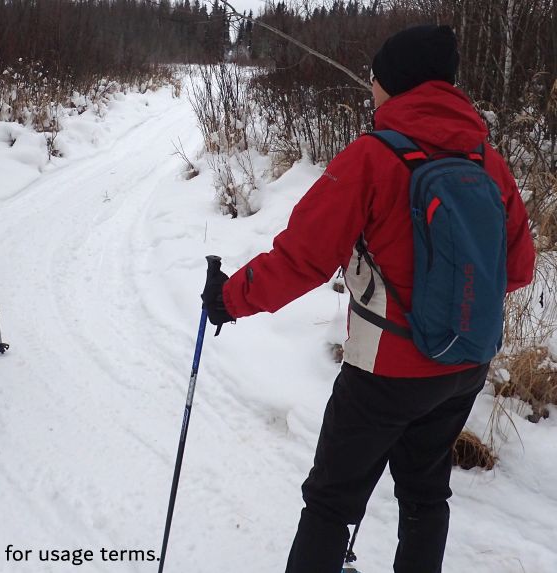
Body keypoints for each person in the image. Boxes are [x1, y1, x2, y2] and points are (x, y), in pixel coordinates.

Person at [200, 25, 535, 573]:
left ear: (396, 83)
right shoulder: (487, 162)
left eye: (375, 79)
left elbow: (300, 260)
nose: (371, 90)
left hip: (384, 374)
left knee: (332, 501)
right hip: (465, 363)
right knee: (426, 496)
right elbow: (518, 270)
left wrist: (228, 299)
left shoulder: (372, 158)